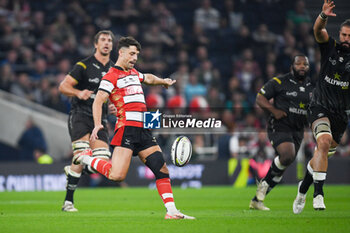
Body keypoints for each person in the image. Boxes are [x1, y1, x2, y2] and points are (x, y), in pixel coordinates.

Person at [74, 36, 195, 219]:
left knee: (161, 168)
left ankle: (172, 211)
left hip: (144, 129)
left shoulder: (134, 73)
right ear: (121, 53)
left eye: (136, 55)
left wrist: (163, 81)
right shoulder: (110, 76)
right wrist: (98, 123)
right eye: (131, 54)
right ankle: (85, 158)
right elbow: (98, 100)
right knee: (117, 176)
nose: (134, 58)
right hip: (127, 129)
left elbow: (149, 78)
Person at [293, 1, 350, 214]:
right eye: (344, 35)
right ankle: (318, 194)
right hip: (319, 106)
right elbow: (317, 30)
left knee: (321, 152)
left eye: (349, 36)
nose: (345, 39)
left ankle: (303, 188)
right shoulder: (330, 47)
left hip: (341, 115)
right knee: (323, 142)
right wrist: (323, 16)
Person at [59, 30, 116, 212]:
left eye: (109, 40)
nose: (106, 43)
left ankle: (76, 167)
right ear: (96, 44)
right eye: (103, 40)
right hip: (81, 115)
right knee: (82, 153)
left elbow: (113, 95)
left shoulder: (115, 70)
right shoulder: (83, 65)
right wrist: (77, 92)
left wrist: (114, 106)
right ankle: (68, 202)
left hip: (101, 118)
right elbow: (63, 86)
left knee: (102, 162)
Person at [249, 55, 313, 210]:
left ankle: (257, 199)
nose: (302, 66)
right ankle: (262, 187)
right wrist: (274, 110)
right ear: (292, 66)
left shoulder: (313, 86)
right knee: (287, 155)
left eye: (305, 64)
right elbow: (260, 98)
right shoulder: (279, 82)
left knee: (284, 163)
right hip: (279, 125)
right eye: (298, 63)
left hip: (297, 131)